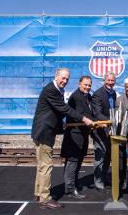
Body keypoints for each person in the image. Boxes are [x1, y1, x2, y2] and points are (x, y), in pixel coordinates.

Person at [31, 68, 94, 209]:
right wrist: (84, 118)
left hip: (45, 131)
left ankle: (39, 193)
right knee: (46, 166)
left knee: (42, 166)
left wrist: (62, 123)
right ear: (56, 76)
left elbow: (54, 111)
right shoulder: (51, 90)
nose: (64, 81)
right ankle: (45, 198)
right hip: (43, 132)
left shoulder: (57, 90)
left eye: (67, 79)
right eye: (62, 78)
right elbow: (64, 109)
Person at [61, 75, 94, 199]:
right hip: (74, 135)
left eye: (89, 85)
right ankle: (69, 189)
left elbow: (90, 114)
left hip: (83, 134)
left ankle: (73, 184)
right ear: (79, 84)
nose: (87, 87)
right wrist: (93, 121)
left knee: (78, 161)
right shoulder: (76, 97)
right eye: (85, 84)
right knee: (72, 161)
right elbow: (82, 114)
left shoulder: (88, 96)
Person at [91, 71, 116, 191]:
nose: (110, 83)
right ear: (104, 81)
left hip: (110, 130)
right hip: (100, 131)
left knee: (108, 156)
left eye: (112, 80)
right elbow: (97, 113)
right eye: (108, 80)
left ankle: (104, 177)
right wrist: (112, 120)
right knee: (100, 156)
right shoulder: (97, 94)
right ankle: (98, 181)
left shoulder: (114, 93)